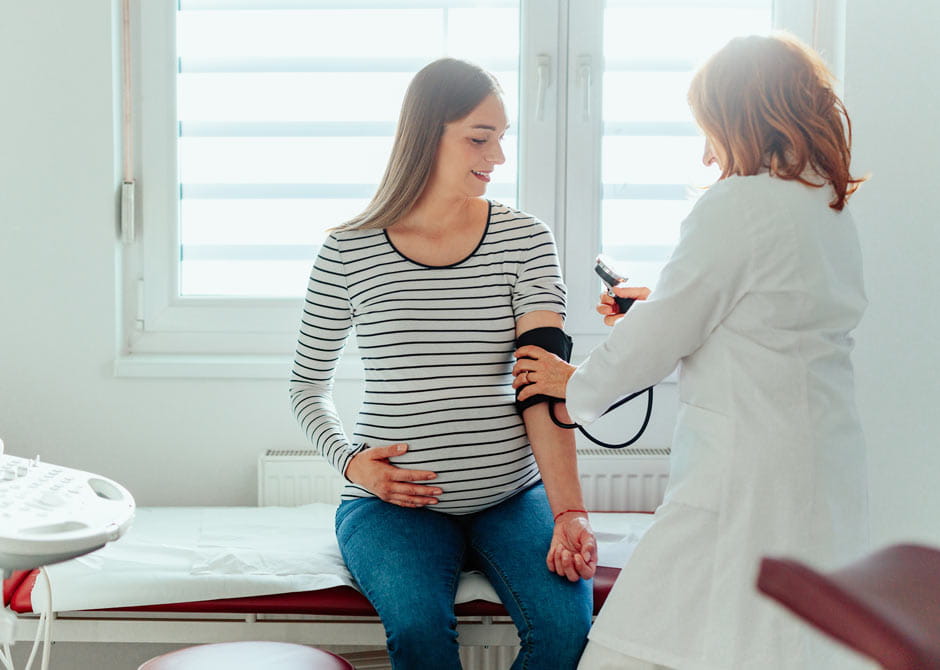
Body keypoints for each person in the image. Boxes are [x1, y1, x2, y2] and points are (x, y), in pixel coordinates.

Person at [513, 34, 870, 670]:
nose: (707, 157)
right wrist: (661, 305)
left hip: (745, 473)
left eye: (710, 132)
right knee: (780, 644)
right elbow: (767, 316)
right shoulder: (826, 203)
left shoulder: (737, 205)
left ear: (742, 120)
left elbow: (665, 336)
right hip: (821, 465)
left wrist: (573, 382)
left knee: (636, 647)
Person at [289, 58, 596, 670]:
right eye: (479, 139)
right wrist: (353, 464)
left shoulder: (526, 241)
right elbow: (306, 385)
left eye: (501, 138)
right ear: (425, 134)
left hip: (510, 494)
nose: (498, 157)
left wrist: (569, 511)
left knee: (566, 628)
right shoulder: (347, 249)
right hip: (392, 503)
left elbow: (542, 388)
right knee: (420, 633)